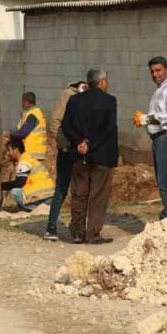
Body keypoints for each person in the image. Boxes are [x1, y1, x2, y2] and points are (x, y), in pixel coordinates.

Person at [61, 68, 119, 245]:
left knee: (79, 193)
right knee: (98, 195)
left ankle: (78, 232)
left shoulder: (74, 100)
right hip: (101, 154)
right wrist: (90, 143)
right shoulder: (109, 101)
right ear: (101, 82)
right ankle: (93, 233)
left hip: (79, 155)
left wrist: (80, 142)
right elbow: (108, 128)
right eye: (106, 81)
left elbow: (66, 126)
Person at [134, 56, 167, 221]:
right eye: (152, 71)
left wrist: (146, 119)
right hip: (159, 138)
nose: (155, 74)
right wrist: (146, 121)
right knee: (163, 178)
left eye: (158, 70)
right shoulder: (161, 89)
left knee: (166, 179)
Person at [44, 78, 86, 241]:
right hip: (68, 150)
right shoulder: (67, 96)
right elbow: (55, 122)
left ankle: (77, 228)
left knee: (80, 190)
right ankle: (51, 226)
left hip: (81, 149)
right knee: (62, 188)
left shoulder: (87, 96)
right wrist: (64, 144)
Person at [0, 136, 56, 212]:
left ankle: (32, 209)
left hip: (43, 197)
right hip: (51, 196)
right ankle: (25, 208)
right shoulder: (29, 158)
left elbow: (20, 183)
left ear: (15, 150)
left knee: (15, 192)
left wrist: (3, 186)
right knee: (23, 189)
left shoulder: (24, 162)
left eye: (9, 150)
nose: (8, 153)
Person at [4, 92, 48, 165]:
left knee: (29, 174)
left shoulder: (32, 115)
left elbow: (23, 132)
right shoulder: (33, 113)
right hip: (34, 151)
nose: (21, 104)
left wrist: (10, 133)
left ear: (26, 102)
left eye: (22, 102)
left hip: (32, 151)